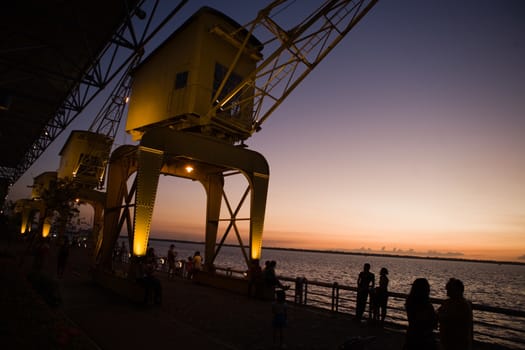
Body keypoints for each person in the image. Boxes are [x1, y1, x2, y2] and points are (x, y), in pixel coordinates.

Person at [438, 278, 473, 350]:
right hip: (448, 341)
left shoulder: (462, 305)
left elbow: (450, 319)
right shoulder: (449, 302)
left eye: (449, 290)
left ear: (457, 291)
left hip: (457, 342)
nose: (447, 293)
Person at [404, 278, 438, 350]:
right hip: (424, 338)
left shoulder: (410, 302)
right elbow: (429, 322)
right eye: (428, 288)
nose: (429, 290)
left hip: (411, 335)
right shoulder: (426, 305)